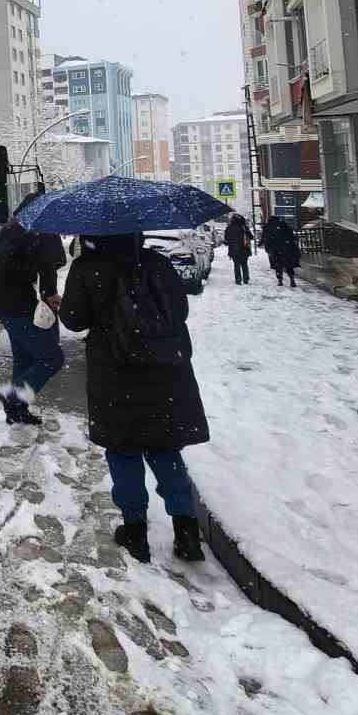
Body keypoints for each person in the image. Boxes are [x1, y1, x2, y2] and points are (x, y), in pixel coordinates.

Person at [59, 232, 209, 564]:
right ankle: (186, 530)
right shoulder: (157, 263)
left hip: (115, 374)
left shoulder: (88, 268)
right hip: (165, 372)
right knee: (165, 448)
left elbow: (73, 319)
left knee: (123, 449)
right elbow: (180, 310)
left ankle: (135, 531)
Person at [0, 194, 67, 424]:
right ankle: (14, 397)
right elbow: (49, 266)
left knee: (23, 359)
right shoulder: (38, 231)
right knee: (52, 358)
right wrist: (50, 295)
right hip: (22, 305)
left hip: (4, 304)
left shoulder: (9, 229)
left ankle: (16, 411)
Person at [262, 213, 300, 287]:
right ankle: (292, 279)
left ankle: (280, 280)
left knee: (278, 265)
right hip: (286, 248)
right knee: (289, 264)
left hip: (275, 249)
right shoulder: (283, 224)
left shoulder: (268, 227)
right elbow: (291, 236)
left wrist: (268, 250)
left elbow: (266, 239)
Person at [224, 213, 254, 285]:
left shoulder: (229, 228)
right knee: (244, 264)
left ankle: (238, 279)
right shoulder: (244, 227)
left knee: (236, 265)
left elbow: (227, 240)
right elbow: (251, 237)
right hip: (244, 249)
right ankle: (246, 279)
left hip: (234, 249)